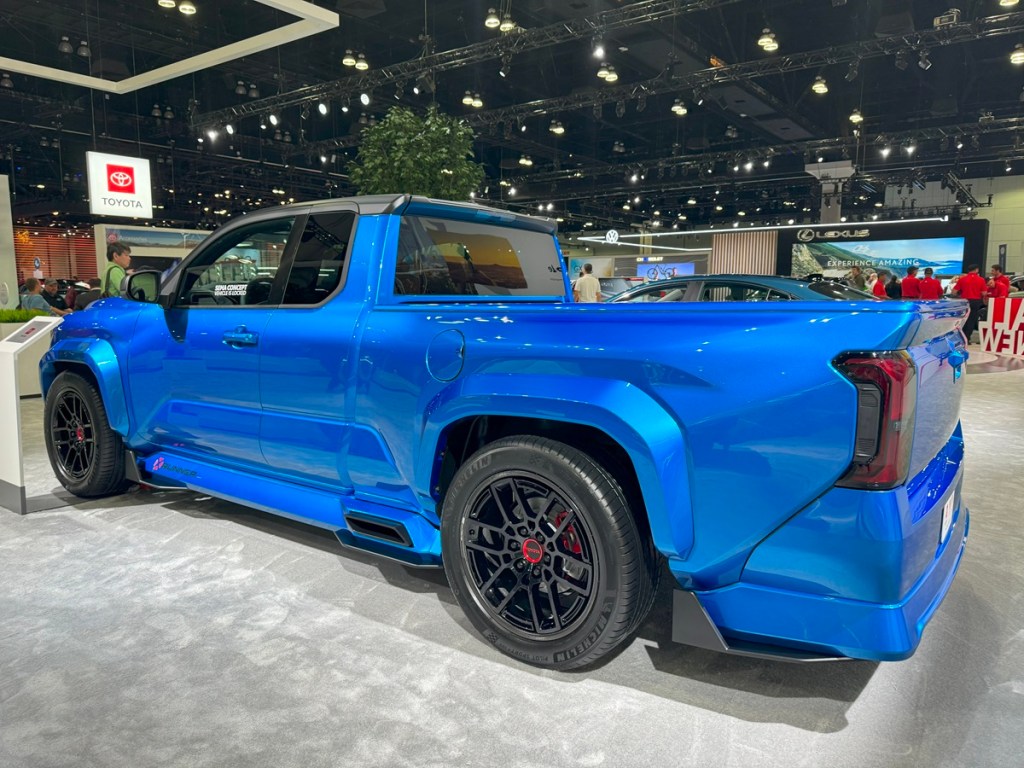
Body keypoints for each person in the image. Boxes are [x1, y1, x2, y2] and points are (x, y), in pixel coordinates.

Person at [955, 264, 988, 343]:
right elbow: (984, 293)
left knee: (963, 320)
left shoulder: (962, 279)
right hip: (976, 302)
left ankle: (961, 338)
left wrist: (960, 294)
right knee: (971, 320)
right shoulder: (981, 280)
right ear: (976, 270)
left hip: (964, 301)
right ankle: (967, 338)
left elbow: (954, 291)